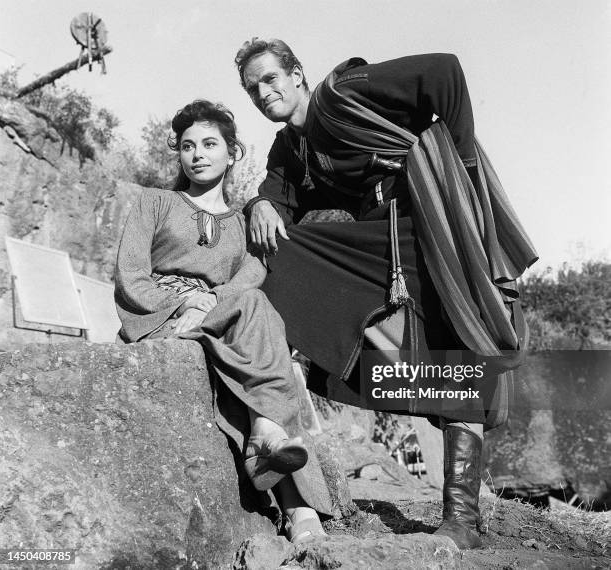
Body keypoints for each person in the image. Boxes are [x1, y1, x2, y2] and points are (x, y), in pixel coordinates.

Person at [235, 38, 538, 549]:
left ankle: (462, 520)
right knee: (282, 257)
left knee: (457, 353)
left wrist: (459, 175)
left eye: (270, 79)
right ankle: (275, 413)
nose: (264, 93)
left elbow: (445, 71)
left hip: (431, 223)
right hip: (381, 244)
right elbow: (278, 204)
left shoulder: (343, 90)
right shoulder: (290, 149)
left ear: (297, 74)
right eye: (252, 89)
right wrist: (258, 205)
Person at [114, 99, 331, 543]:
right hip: (160, 317)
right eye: (188, 145)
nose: (197, 153)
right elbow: (130, 275)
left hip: (218, 316)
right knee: (257, 330)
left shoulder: (245, 221)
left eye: (210, 144)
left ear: (233, 153)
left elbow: (251, 276)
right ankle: (298, 505)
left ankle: (268, 441)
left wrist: (208, 301)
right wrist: (180, 305)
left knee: (252, 313)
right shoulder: (154, 202)